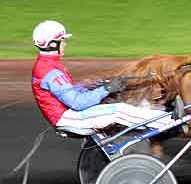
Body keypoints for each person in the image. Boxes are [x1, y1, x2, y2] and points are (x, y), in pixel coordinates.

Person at [31, 20, 180, 134]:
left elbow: (69, 92)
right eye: (62, 41)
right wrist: (106, 89)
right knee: (119, 110)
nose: (65, 44)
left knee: (120, 103)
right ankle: (170, 122)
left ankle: (161, 114)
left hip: (67, 114)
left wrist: (94, 86)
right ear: (52, 44)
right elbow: (77, 103)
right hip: (68, 117)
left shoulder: (48, 66)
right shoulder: (50, 71)